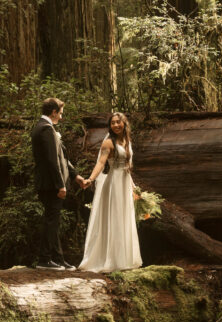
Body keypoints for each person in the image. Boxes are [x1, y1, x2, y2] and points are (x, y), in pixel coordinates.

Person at [78, 111, 142, 273]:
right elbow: (100, 163)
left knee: (124, 218)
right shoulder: (108, 143)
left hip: (125, 183)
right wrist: (90, 179)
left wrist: (134, 187)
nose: (115, 125)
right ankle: (111, 260)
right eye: (113, 123)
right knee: (114, 218)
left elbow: (127, 166)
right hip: (113, 184)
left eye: (118, 122)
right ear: (110, 126)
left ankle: (125, 259)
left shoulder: (127, 140)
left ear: (124, 124)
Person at [31, 96, 86, 270]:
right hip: (50, 184)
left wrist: (75, 175)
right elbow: (51, 160)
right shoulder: (45, 129)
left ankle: (58, 259)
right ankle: (44, 260)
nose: (61, 117)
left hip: (51, 183)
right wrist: (60, 184)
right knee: (51, 221)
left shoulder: (46, 128)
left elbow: (62, 156)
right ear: (53, 112)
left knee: (53, 221)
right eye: (60, 113)